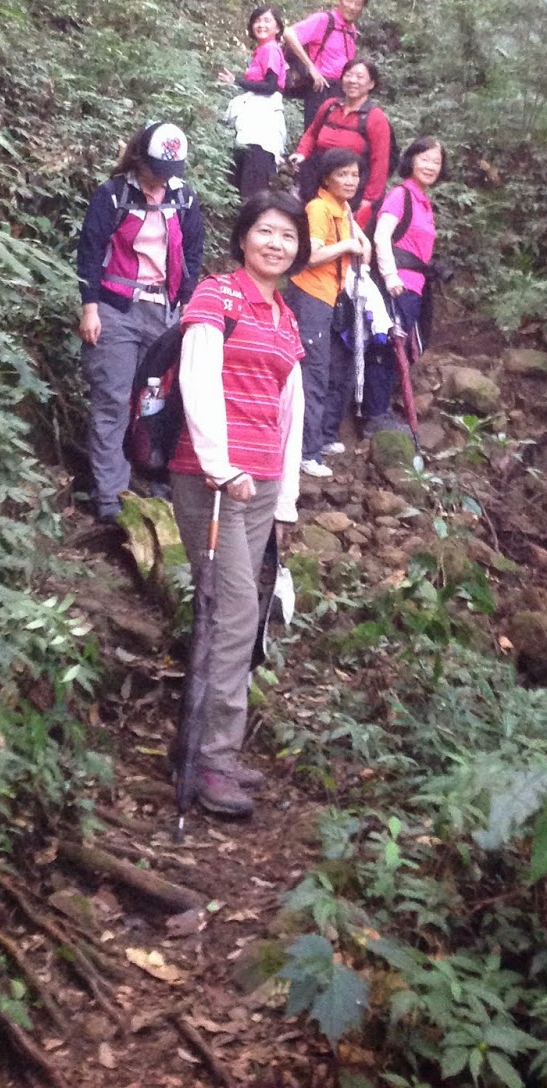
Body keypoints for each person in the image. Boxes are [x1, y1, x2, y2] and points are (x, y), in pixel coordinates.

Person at [168, 192, 308, 818]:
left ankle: (197, 746)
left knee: (231, 616)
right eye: (266, 231)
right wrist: (221, 467)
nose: (276, 244)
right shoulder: (216, 298)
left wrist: (287, 497)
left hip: (262, 486)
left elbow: (290, 410)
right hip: (214, 484)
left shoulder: (286, 317)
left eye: (288, 235)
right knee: (235, 614)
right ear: (244, 237)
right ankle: (212, 761)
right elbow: (196, 382)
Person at [76, 123, 204, 523]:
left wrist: (187, 304)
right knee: (113, 398)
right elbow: (90, 251)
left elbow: (193, 252)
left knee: (157, 399)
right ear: (139, 159)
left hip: (164, 309)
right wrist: (90, 308)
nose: (163, 178)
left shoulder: (183, 197)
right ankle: (109, 495)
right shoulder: (114, 194)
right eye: (156, 169)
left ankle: (153, 475)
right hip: (116, 307)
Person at [282, 149, 371, 480]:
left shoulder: (342, 208)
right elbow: (311, 255)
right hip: (310, 295)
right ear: (326, 178)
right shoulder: (319, 208)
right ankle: (306, 452)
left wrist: (359, 241)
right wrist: (348, 246)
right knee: (314, 372)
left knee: (335, 368)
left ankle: (322, 437)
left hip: (331, 295)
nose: (350, 181)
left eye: (354, 175)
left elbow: (362, 246)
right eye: (342, 174)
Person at [363, 137, 444, 432]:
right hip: (397, 285)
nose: (430, 166)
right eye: (425, 159)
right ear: (411, 160)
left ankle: (382, 410)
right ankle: (374, 417)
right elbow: (382, 236)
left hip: (414, 286)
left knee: (398, 349)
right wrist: (390, 276)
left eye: (436, 162)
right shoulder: (401, 195)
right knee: (386, 347)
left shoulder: (423, 201)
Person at [291, 58, 393, 225]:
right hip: (317, 182)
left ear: (371, 84)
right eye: (348, 75)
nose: (352, 80)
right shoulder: (330, 106)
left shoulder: (375, 117)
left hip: (351, 191)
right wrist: (302, 153)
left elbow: (380, 162)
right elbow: (312, 133)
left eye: (360, 77)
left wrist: (368, 200)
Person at [219, 4, 288, 198]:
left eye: (267, 21)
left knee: (253, 183)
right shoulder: (262, 50)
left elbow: (271, 86)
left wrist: (237, 81)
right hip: (255, 124)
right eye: (257, 20)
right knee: (243, 179)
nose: (261, 25)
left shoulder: (271, 49)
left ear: (277, 27)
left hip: (261, 126)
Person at [283, 0, 368, 127]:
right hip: (321, 88)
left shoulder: (351, 30)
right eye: (349, 1)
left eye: (358, 4)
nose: (352, 7)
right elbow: (288, 33)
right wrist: (311, 67)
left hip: (341, 90)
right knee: (316, 133)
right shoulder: (325, 20)